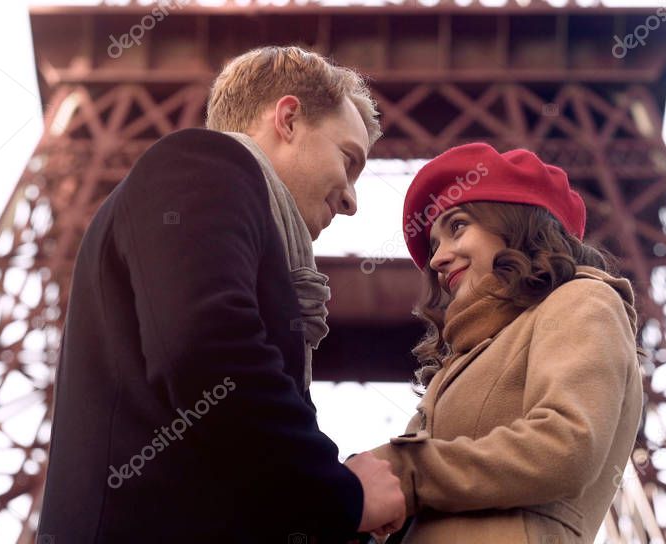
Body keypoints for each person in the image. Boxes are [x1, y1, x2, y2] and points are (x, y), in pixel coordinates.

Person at [37, 46, 405, 542]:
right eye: (349, 160)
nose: (352, 200)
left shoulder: (259, 244)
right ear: (289, 119)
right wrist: (343, 494)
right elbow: (207, 349)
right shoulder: (202, 164)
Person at [365, 143, 645, 543]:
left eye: (457, 226)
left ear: (516, 223)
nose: (439, 259)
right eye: (432, 247)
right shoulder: (469, 355)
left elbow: (566, 446)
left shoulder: (583, 300)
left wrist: (404, 472)